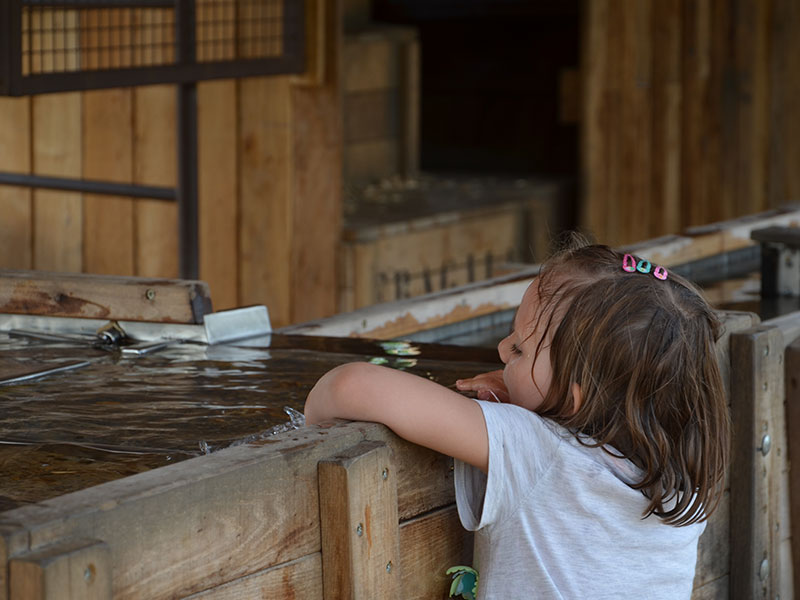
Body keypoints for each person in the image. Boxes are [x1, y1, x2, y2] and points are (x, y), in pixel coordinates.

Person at [304, 242, 729, 599]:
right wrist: (540, 399)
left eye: (521, 350)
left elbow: (349, 386)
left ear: (576, 398)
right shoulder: (684, 486)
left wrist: (310, 429)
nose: (502, 349)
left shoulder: (540, 453)